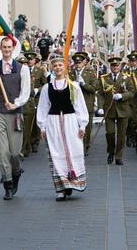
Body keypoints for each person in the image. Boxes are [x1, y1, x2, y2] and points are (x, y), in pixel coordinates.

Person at [0, 36, 30, 200]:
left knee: (15, 153)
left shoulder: (22, 69)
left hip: (15, 114)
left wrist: (15, 104)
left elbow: (25, 92)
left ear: (13, 49)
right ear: (0, 49)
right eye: (4, 47)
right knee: (2, 152)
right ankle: (8, 184)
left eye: (9, 47)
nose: (7, 50)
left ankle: (16, 172)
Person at [36, 56, 88, 201]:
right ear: (52, 68)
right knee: (56, 153)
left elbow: (79, 105)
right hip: (53, 122)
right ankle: (60, 188)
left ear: (64, 67)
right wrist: (42, 126)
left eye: (60, 65)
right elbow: (43, 107)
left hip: (70, 121)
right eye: (55, 66)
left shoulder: (73, 86)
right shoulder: (47, 87)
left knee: (73, 150)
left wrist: (82, 124)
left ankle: (72, 182)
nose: (58, 68)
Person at [98, 57, 133, 165]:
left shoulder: (126, 78)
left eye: (117, 65)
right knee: (110, 133)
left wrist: (122, 95)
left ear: (120, 66)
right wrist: (100, 107)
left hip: (123, 109)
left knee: (122, 135)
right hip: (109, 109)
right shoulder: (104, 78)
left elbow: (132, 92)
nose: (115, 67)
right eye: (113, 66)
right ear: (110, 67)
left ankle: (118, 156)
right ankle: (110, 152)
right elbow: (100, 93)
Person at [70, 52, 98, 156]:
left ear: (83, 63)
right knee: (75, 126)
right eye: (76, 63)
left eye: (80, 63)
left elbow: (94, 89)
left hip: (87, 103)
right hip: (74, 105)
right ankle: (78, 146)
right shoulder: (70, 73)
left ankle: (85, 146)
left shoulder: (90, 73)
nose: (77, 65)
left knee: (87, 126)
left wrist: (84, 84)